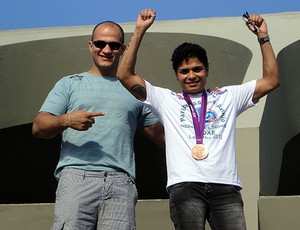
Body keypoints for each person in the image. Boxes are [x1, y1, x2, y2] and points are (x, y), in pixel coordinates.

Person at [117, 9, 279, 230]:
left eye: (197, 69)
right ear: (176, 74)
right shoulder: (166, 99)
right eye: (184, 71)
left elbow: (271, 80)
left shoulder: (228, 96)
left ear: (207, 69)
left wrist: (263, 37)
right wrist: (139, 30)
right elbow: (124, 75)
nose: (191, 75)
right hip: (185, 188)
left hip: (226, 188)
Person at [32, 19, 164, 230]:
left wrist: (206, 110)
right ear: (90, 45)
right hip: (76, 177)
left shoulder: (136, 91)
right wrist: (66, 120)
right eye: (100, 43)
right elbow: (39, 127)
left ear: (123, 49)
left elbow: (164, 138)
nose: (106, 49)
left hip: (121, 182)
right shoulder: (70, 83)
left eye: (113, 45)